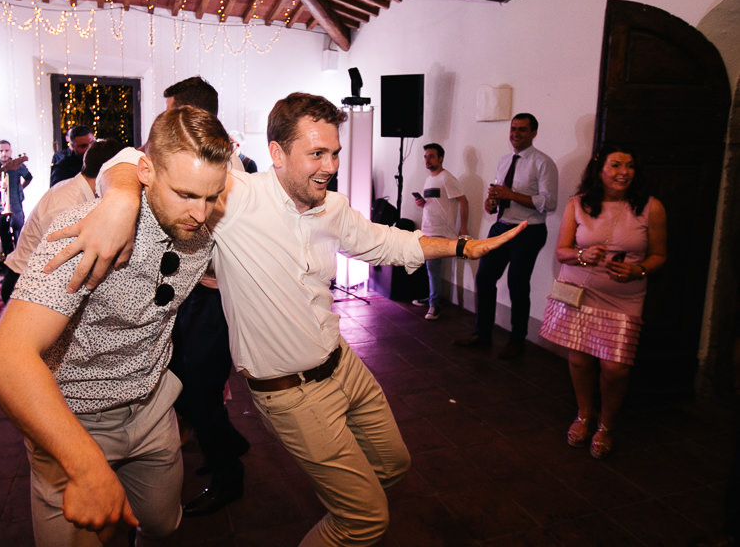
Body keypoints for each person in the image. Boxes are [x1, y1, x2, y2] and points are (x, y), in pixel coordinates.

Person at [45, 93, 526, 546]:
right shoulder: (233, 199)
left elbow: (388, 242)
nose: (331, 167)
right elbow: (127, 158)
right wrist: (120, 199)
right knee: (366, 519)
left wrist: (463, 247)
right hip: (289, 390)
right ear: (276, 152)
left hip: (345, 366)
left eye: (335, 153)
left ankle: (348, 493)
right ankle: (348, 508)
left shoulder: (333, 207)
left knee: (395, 465)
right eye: (317, 154)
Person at [0, 106, 234, 546]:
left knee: (162, 525)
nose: (200, 213)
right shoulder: (86, 232)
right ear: (146, 171)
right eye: (186, 194)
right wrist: (85, 466)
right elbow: (6, 360)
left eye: (211, 197)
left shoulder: (203, 229)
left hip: (154, 411)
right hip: (73, 418)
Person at [153, 76, 250, 517]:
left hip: (217, 295)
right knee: (187, 380)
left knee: (197, 388)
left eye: (172, 111)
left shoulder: (229, 169)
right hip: (197, 292)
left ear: (192, 114)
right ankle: (225, 445)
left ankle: (229, 472)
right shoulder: (198, 157)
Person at [539, 145, 666, 459]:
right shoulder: (579, 204)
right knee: (580, 360)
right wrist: (583, 255)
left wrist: (637, 269)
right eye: (616, 165)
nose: (624, 172)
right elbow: (561, 251)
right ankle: (584, 415)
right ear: (600, 170)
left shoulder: (651, 207)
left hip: (624, 298)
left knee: (616, 368)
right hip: (580, 292)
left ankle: (607, 424)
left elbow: (659, 256)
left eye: (630, 166)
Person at [455, 113, 558, 359]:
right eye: (513, 129)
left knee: (517, 284)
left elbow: (549, 203)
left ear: (534, 133)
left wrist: (510, 195)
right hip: (501, 226)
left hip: (528, 229)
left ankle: (517, 340)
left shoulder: (543, 162)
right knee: (484, 278)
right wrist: (491, 204)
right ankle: (482, 334)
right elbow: (500, 193)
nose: (515, 134)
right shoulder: (504, 160)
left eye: (522, 130)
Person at [0, 138, 121, 303]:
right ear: (109, 171)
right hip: (27, 287)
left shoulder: (77, 189)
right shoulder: (67, 203)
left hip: (40, 281)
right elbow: (64, 266)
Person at [412, 143, 468, 320]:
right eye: (426, 157)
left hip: (441, 231)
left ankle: (435, 305)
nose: (427, 160)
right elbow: (433, 204)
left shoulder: (447, 178)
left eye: (431, 156)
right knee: (430, 268)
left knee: (433, 268)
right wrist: (421, 203)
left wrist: (463, 227)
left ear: (441, 158)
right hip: (428, 229)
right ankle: (431, 298)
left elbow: (463, 201)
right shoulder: (429, 179)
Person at [0, 140, 32, 258]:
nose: (4, 153)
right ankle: (7, 265)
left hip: (15, 206)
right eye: (0, 151)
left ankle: (19, 264)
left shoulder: (18, 166)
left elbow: (28, 178)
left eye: (6, 150)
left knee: (19, 237)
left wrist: (20, 189)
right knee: (4, 238)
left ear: (11, 151)